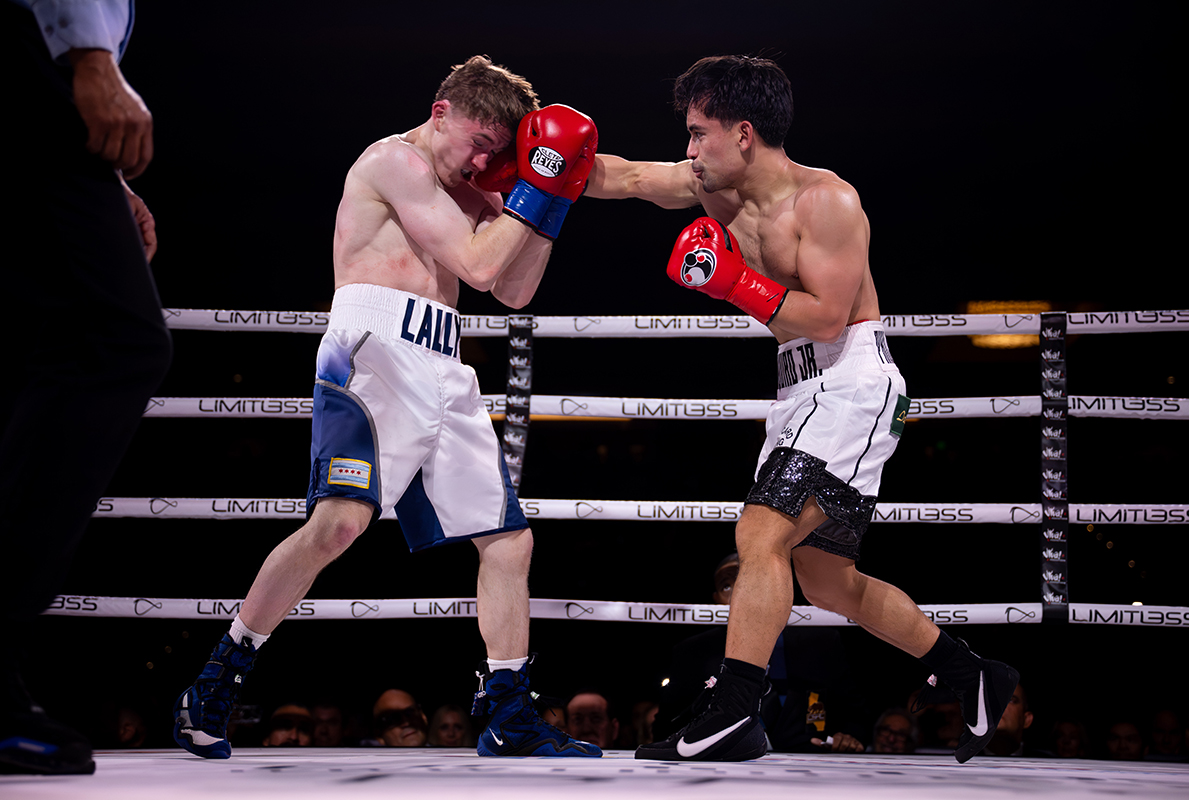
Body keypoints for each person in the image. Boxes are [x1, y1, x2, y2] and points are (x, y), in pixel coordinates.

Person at [585, 54, 1017, 764]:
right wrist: (537, 167)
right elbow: (627, 175)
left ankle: (732, 710)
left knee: (760, 535)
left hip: (853, 383)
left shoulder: (827, 202)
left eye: (700, 133)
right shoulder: (713, 188)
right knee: (825, 579)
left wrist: (729, 283)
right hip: (798, 393)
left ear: (744, 132)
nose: (689, 151)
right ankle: (974, 673)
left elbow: (825, 318)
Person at [171, 55, 600, 760]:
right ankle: (217, 680)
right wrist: (529, 187)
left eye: (500, 150)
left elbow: (514, 290)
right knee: (338, 525)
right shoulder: (394, 161)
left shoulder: (472, 183)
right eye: (478, 144)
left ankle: (509, 714)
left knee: (508, 539)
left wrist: (546, 193)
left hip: (443, 361)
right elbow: (484, 265)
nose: (484, 161)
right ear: (441, 114)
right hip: (372, 351)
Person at [1, 0, 171, 776]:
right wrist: (88, 58)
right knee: (116, 341)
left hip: (46, 69)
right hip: (39, 57)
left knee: (57, 346)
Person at [657, 552, 867, 753]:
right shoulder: (693, 651)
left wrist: (847, 737)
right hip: (724, 764)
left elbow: (855, 715)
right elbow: (666, 727)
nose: (739, 592)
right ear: (716, 600)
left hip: (809, 763)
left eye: (747, 580)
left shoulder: (820, 641)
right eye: (727, 585)